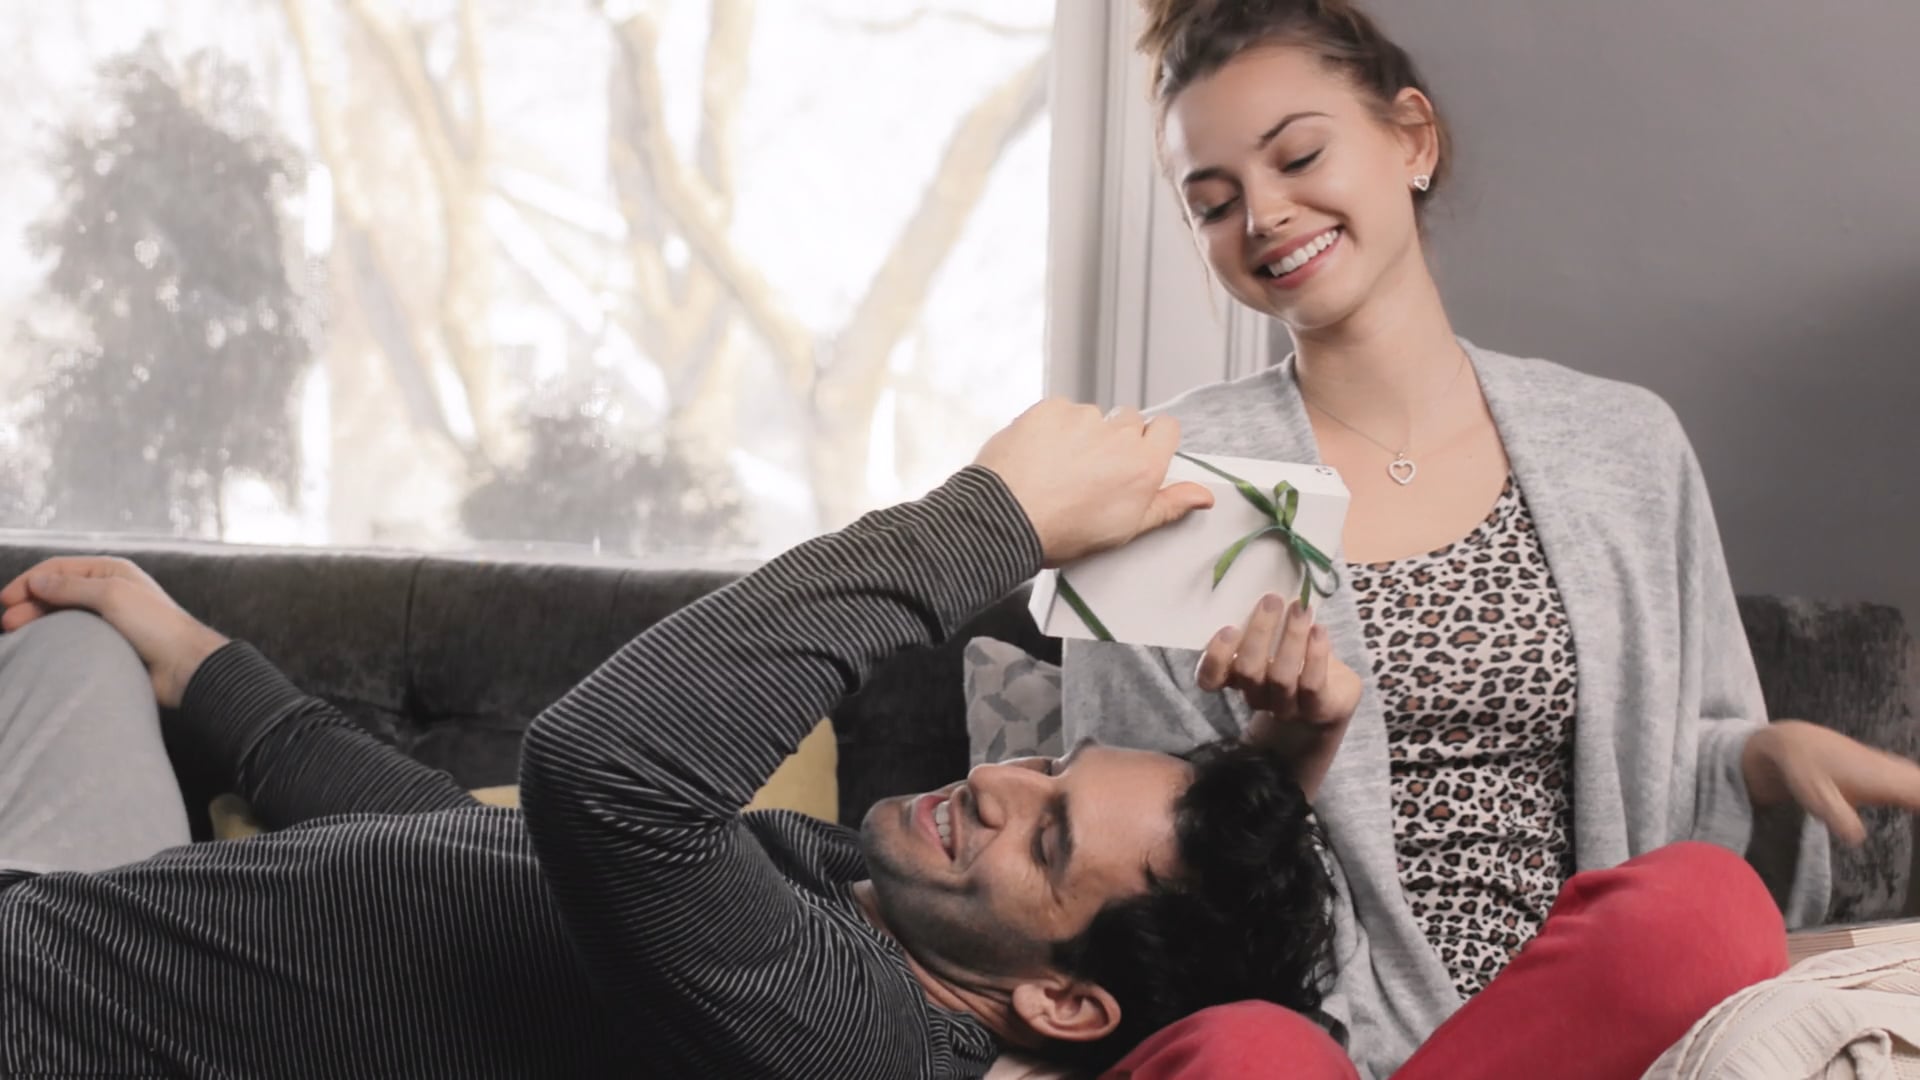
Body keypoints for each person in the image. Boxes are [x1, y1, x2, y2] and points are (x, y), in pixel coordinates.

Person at [1061, 1, 1920, 1077]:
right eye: (1215, 202)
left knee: (1706, 906)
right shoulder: (1171, 473)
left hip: (1593, 1014)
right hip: (1305, 1033)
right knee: (1245, 1056)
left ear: (1411, 138)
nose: (1267, 215)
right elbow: (1113, 856)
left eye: (1299, 156)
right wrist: (1264, 766)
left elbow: (1663, 778)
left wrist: (1757, 756)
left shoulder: (1622, 442)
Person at [0, 402, 1340, 1079]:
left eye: (1046, 834)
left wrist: (998, 520)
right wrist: (193, 657)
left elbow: (606, 772)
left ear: (1062, 1003)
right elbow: (478, 846)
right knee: (78, 639)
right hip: (85, 907)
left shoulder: (845, 1030)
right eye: (1046, 767)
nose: (995, 780)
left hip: (44, 1016)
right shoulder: (855, 907)